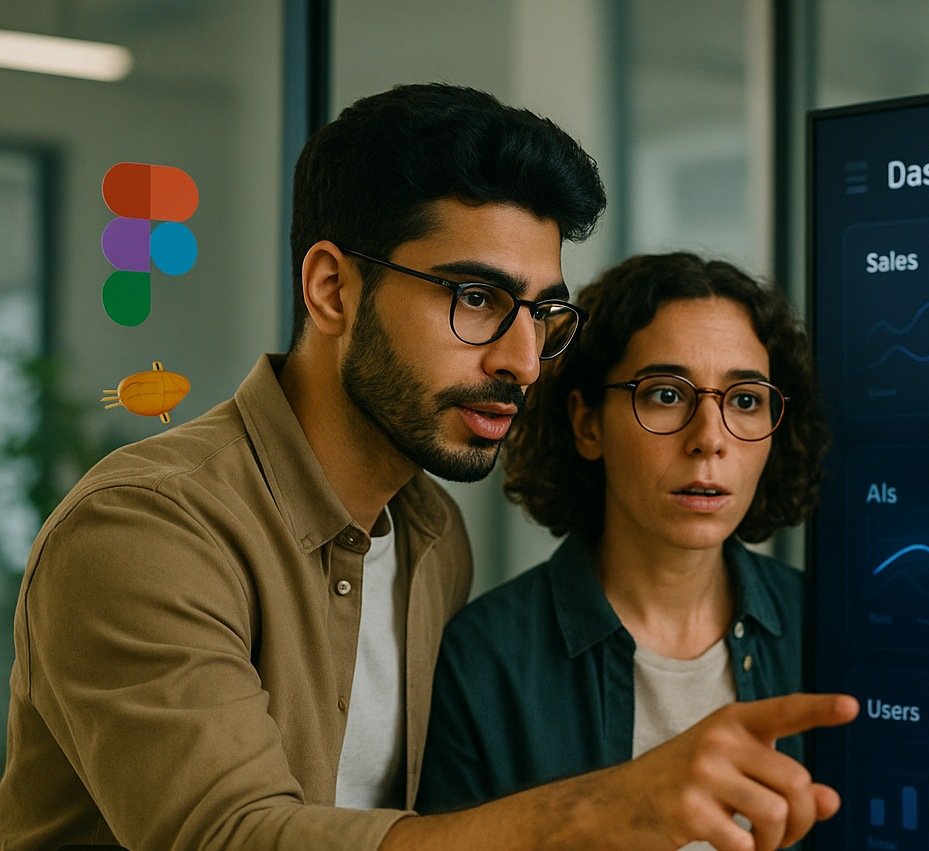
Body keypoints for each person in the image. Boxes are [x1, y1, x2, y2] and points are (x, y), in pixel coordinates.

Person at [0, 83, 856, 851]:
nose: (525, 359)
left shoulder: (431, 538)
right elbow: (229, 834)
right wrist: (600, 810)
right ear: (333, 289)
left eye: (542, 312)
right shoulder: (146, 526)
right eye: (476, 299)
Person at [417, 253, 828, 824]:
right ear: (587, 425)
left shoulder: (827, 633)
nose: (710, 439)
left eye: (745, 400)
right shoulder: (483, 663)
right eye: (665, 394)